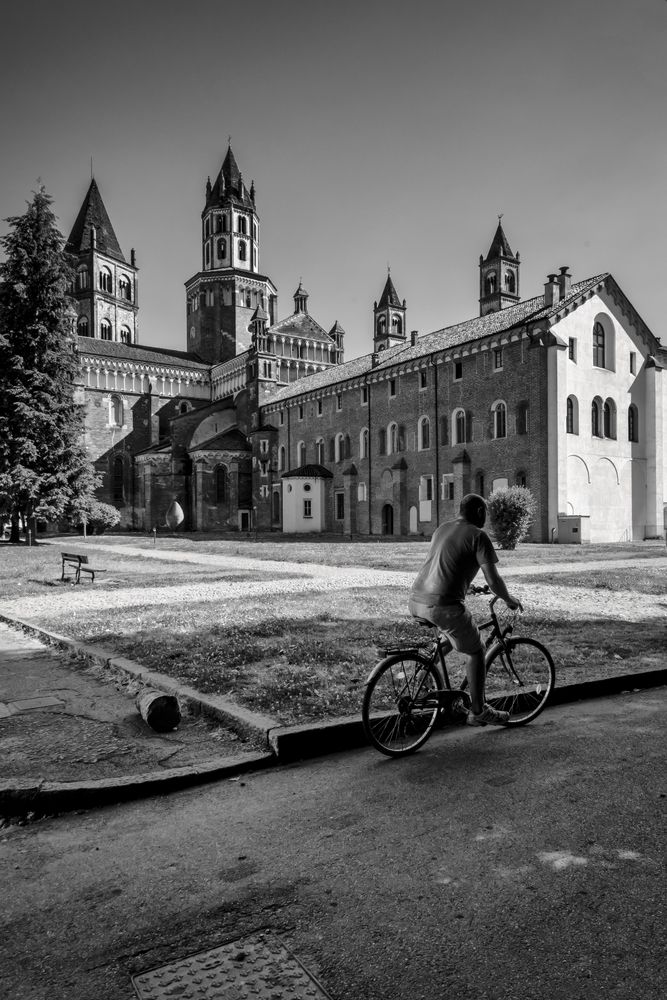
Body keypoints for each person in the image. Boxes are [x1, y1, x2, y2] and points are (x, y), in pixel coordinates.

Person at [408, 493, 523, 726]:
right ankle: (479, 711)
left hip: (416, 600)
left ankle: (423, 677)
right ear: (480, 512)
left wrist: (467, 587)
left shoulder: (442, 529)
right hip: (443, 606)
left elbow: (445, 564)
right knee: (476, 650)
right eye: (486, 513)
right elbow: (494, 580)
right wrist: (509, 599)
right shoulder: (479, 536)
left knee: (453, 635)